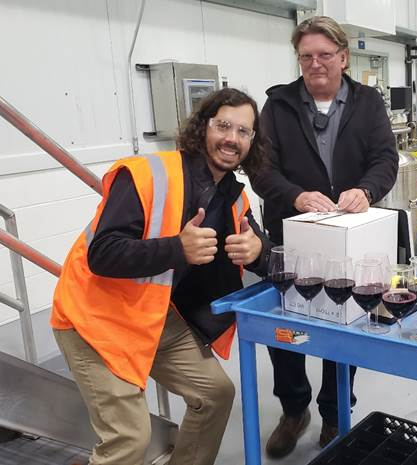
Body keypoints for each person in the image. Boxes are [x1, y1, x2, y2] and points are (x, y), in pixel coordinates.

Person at [51, 88, 271, 465]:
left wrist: (258, 250)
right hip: (95, 319)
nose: (231, 138)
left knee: (216, 395)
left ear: (252, 142)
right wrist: (176, 249)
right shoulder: (147, 174)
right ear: (202, 128)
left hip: (155, 316)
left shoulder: (233, 197)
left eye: (243, 131)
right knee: (129, 439)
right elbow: (102, 253)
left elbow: (256, 243)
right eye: (223, 126)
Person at [249, 15, 398, 458]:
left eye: (325, 55)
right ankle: (294, 410)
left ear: (343, 57)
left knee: (343, 322)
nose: (315, 63)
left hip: (348, 239)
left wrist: (366, 190)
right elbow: (261, 169)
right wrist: (295, 196)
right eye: (306, 56)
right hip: (290, 237)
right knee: (287, 328)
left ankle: (335, 412)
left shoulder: (368, 103)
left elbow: (385, 159)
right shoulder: (278, 106)